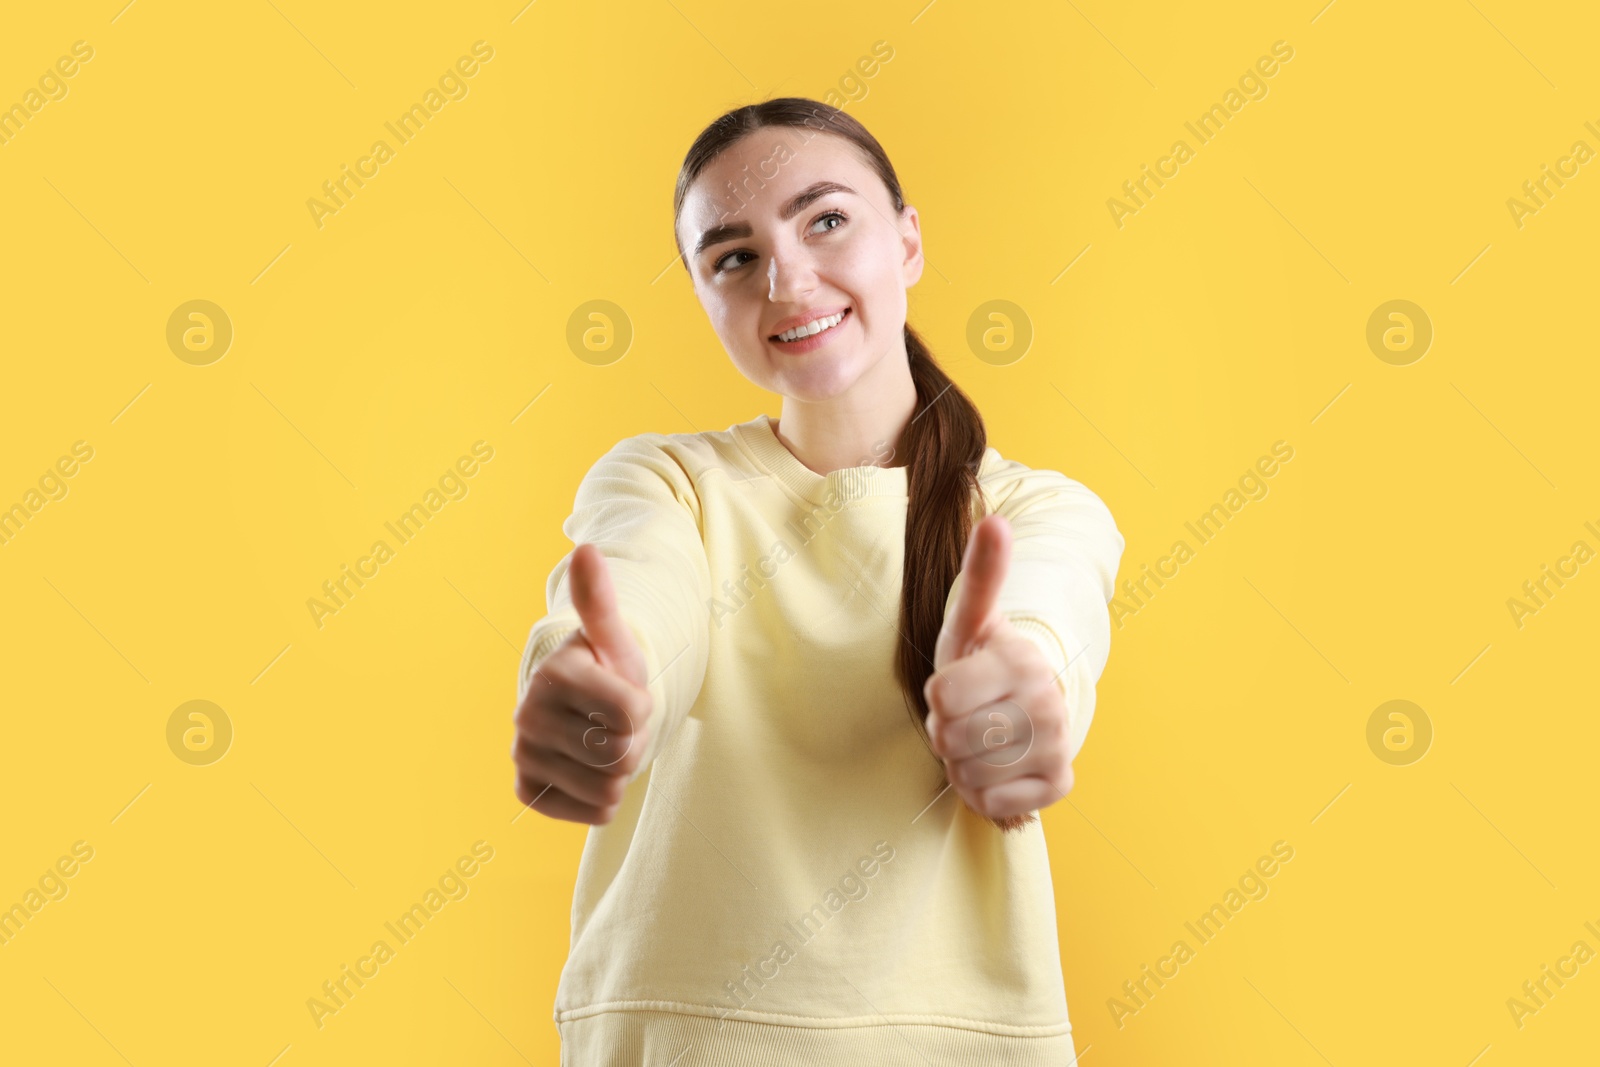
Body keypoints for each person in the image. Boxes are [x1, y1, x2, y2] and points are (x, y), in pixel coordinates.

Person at [512, 97, 1125, 1065]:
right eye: (734, 256)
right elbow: (644, 594)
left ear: (909, 241)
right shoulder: (665, 480)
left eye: (825, 219)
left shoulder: (1034, 512)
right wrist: (610, 684)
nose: (788, 279)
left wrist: (1021, 692)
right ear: (703, 293)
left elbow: (1046, 617)